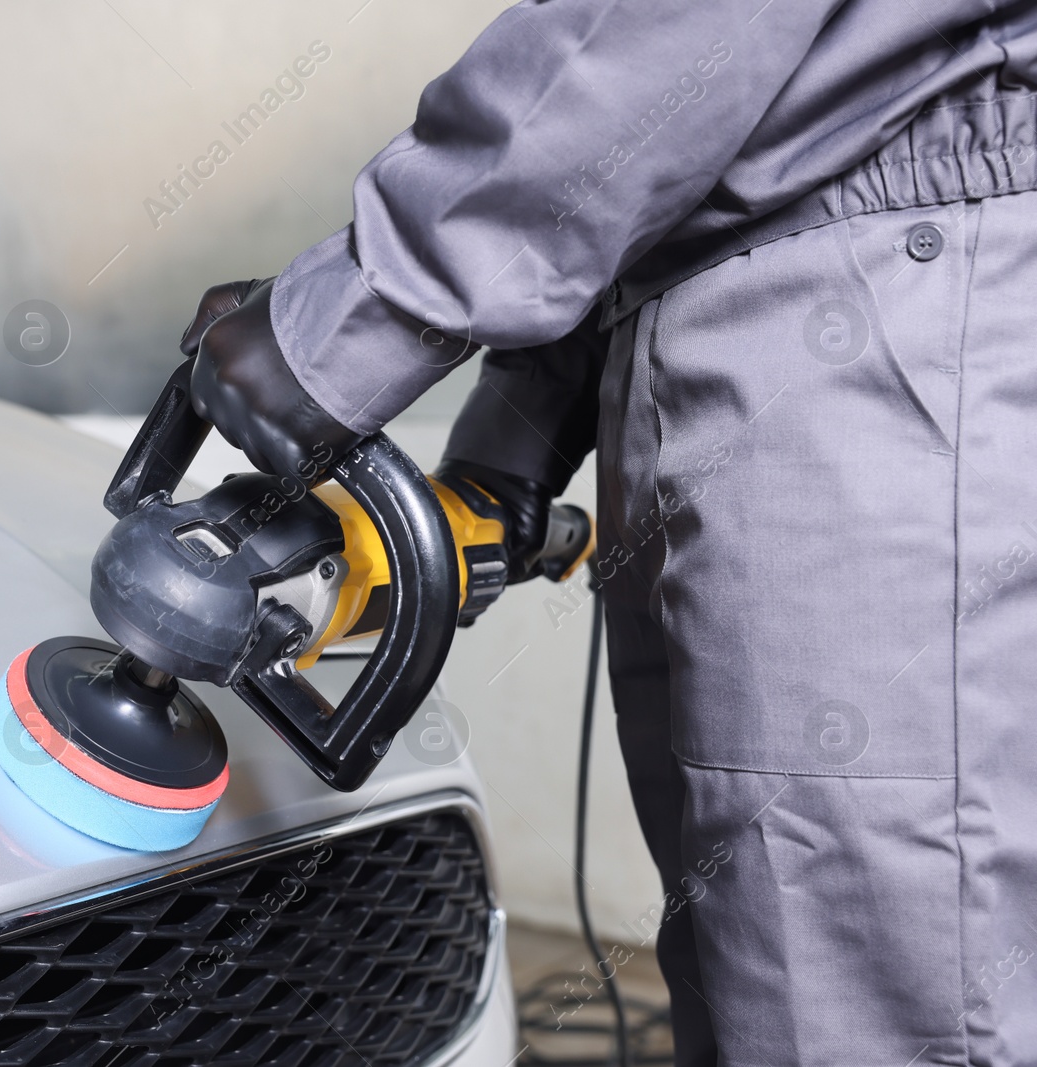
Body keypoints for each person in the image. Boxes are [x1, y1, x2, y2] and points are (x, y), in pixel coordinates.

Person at [176, 1, 1037, 1062]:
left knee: (876, 989)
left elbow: (653, 36)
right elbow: (666, 145)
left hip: (870, 329)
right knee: (758, 966)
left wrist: (351, 309)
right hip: (756, 327)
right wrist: (513, 448)